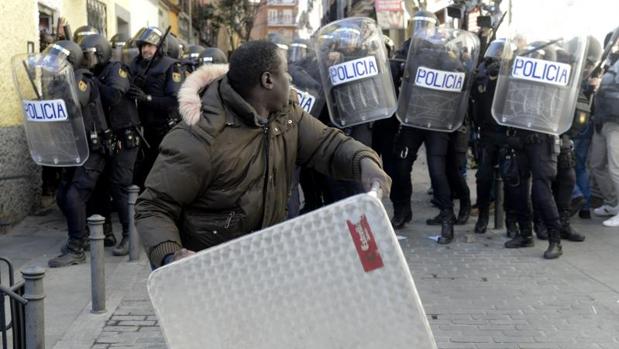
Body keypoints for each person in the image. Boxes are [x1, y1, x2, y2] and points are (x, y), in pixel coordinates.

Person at [135, 41, 391, 268]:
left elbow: (327, 144)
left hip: (270, 262)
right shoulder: (198, 140)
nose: (291, 80)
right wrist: (172, 255)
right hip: (213, 272)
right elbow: (153, 206)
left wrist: (364, 162)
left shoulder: (287, 115)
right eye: (286, 74)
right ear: (268, 81)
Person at [46, 40, 112, 267]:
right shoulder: (60, 81)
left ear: (70, 61)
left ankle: (76, 248)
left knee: (75, 196)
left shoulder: (81, 79)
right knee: (63, 196)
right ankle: (80, 237)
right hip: (75, 148)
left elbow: (75, 103)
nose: (53, 65)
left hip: (93, 149)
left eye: (58, 61)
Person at [79, 33, 142, 255]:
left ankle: (129, 236)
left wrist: (93, 83)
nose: (87, 61)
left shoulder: (116, 70)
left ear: (101, 52)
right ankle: (105, 232)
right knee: (100, 185)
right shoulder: (90, 74)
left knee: (120, 184)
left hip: (125, 136)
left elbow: (114, 96)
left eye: (90, 56)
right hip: (107, 138)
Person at [127, 27, 184, 190]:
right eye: (143, 45)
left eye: (150, 45)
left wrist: (147, 98)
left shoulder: (171, 66)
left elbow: (174, 101)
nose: (146, 49)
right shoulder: (135, 65)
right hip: (140, 129)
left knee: (162, 177)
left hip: (163, 130)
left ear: (159, 47)